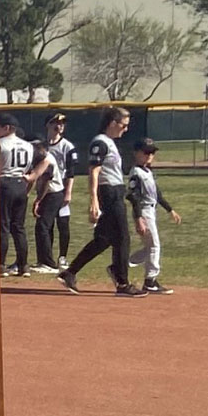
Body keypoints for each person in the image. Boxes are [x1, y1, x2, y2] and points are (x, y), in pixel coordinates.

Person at [59, 107, 139, 297]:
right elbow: (94, 171)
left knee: (103, 239)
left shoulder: (109, 143)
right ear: (113, 123)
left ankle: (69, 273)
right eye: (123, 125)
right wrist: (94, 199)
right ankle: (122, 283)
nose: (125, 129)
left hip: (115, 191)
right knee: (122, 237)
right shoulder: (101, 142)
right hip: (108, 192)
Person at [0, 114, 49, 278]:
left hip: (4, 183)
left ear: (7, 128)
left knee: (3, 226)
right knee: (18, 227)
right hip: (20, 184)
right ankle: (23, 265)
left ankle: (1, 265)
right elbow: (46, 160)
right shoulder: (27, 145)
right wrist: (33, 176)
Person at [126, 138, 182, 295]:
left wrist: (170, 210)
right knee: (154, 246)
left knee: (150, 247)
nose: (150, 155)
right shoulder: (136, 173)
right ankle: (150, 281)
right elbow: (133, 197)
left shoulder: (148, 171)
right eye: (146, 152)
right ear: (137, 153)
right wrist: (139, 218)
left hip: (151, 211)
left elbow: (157, 195)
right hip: (143, 212)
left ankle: (121, 265)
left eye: (152, 152)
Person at [34, 112, 78, 271]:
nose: (59, 126)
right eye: (55, 123)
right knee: (47, 224)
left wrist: (68, 192)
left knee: (63, 223)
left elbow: (71, 171)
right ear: (48, 125)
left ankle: (62, 257)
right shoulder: (42, 145)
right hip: (47, 189)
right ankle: (47, 257)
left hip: (60, 188)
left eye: (62, 123)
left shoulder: (67, 146)